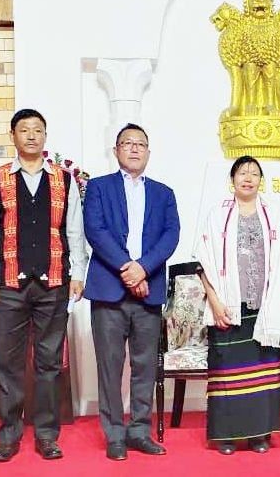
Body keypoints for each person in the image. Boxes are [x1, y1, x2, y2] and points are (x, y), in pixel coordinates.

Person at [0, 108, 88, 462]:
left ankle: (46, 434)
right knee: (6, 363)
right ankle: (8, 435)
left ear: (45, 136)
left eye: (38, 130)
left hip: (53, 282)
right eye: (24, 130)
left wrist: (77, 273)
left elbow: (74, 231)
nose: (32, 136)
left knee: (49, 363)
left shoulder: (64, 179)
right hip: (8, 283)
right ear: (13, 136)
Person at [195, 156, 280, 455]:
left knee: (263, 373)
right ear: (232, 180)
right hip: (229, 307)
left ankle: (260, 434)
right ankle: (227, 435)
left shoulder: (272, 213)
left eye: (254, 173)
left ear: (261, 180)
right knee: (227, 373)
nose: (248, 177)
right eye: (242, 172)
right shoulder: (217, 214)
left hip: (264, 307)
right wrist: (215, 302)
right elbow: (203, 263)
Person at [83, 123, 180, 461]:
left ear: (149, 152)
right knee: (110, 366)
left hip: (148, 290)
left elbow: (171, 235)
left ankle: (139, 430)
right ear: (116, 150)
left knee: (144, 367)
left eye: (141, 144)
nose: (135, 149)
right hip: (109, 290)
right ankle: (114, 434)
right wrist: (128, 268)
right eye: (128, 143)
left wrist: (143, 268)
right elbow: (95, 231)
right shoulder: (97, 188)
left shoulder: (164, 193)